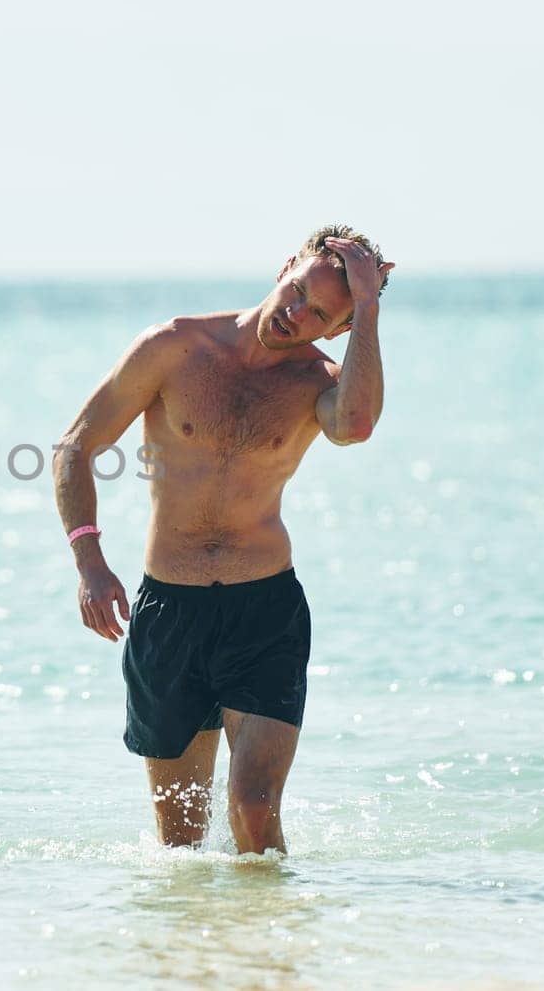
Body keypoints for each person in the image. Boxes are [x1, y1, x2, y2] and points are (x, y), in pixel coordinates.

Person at [51, 224, 394, 854]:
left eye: (321, 314)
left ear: (341, 328)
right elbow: (76, 448)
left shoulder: (319, 380)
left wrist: (368, 308)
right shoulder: (176, 347)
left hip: (263, 611)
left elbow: (356, 425)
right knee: (179, 843)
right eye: (297, 292)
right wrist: (90, 562)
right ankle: (201, 954)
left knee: (253, 811)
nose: (296, 315)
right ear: (286, 265)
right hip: (169, 611)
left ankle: (269, 950)